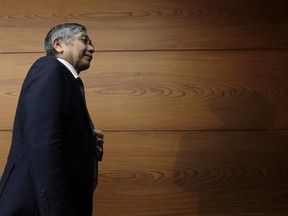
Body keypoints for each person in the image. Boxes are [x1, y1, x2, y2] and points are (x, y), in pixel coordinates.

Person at [0, 23, 104, 216]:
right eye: (84, 40)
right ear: (58, 44)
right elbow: (44, 145)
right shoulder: (49, 68)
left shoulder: (67, 80)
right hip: (33, 206)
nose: (92, 48)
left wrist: (88, 143)